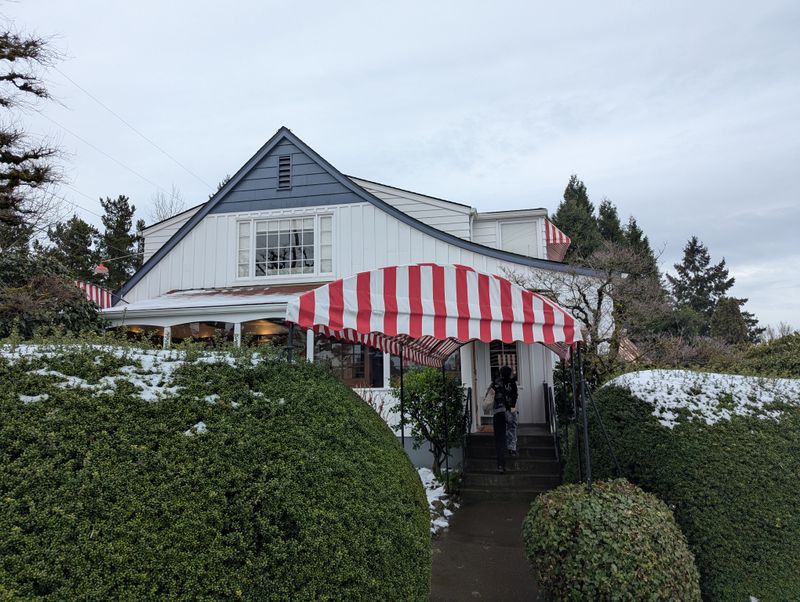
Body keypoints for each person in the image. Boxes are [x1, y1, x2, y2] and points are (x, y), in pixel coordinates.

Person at [489, 365, 517, 473]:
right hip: (509, 411)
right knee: (512, 428)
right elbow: (514, 396)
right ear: (509, 373)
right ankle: (512, 449)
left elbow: (489, 397)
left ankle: (501, 465)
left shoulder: (495, 383)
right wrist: (511, 408)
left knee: (499, 439)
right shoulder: (512, 383)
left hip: (498, 413)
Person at [504, 370, 519, 456]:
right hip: (511, 407)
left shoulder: (500, 382)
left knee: (508, 426)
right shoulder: (512, 382)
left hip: (505, 408)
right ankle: (512, 447)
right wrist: (512, 405)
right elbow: (515, 395)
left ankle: (509, 446)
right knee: (512, 426)